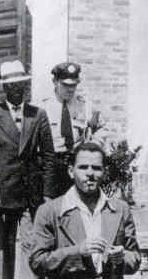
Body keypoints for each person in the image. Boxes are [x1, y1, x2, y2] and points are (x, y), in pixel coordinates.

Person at [30, 142, 140, 279]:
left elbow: (135, 258)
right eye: (83, 167)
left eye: (96, 168)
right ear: (71, 171)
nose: (90, 173)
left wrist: (121, 257)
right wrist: (77, 252)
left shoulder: (119, 209)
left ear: (104, 172)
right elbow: (37, 261)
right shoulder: (51, 211)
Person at [0, 59, 55, 279]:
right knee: (4, 243)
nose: (16, 89)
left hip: (32, 192)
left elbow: (49, 156)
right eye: (11, 85)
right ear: (4, 88)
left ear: (25, 86)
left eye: (20, 84)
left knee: (32, 243)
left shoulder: (38, 114)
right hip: (3, 189)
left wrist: (46, 192)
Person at [41, 62, 107, 197]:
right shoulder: (43, 106)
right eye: (65, 85)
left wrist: (92, 146)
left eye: (74, 85)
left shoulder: (84, 105)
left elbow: (101, 128)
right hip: (50, 165)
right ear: (55, 82)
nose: (70, 89)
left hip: (76, 163)